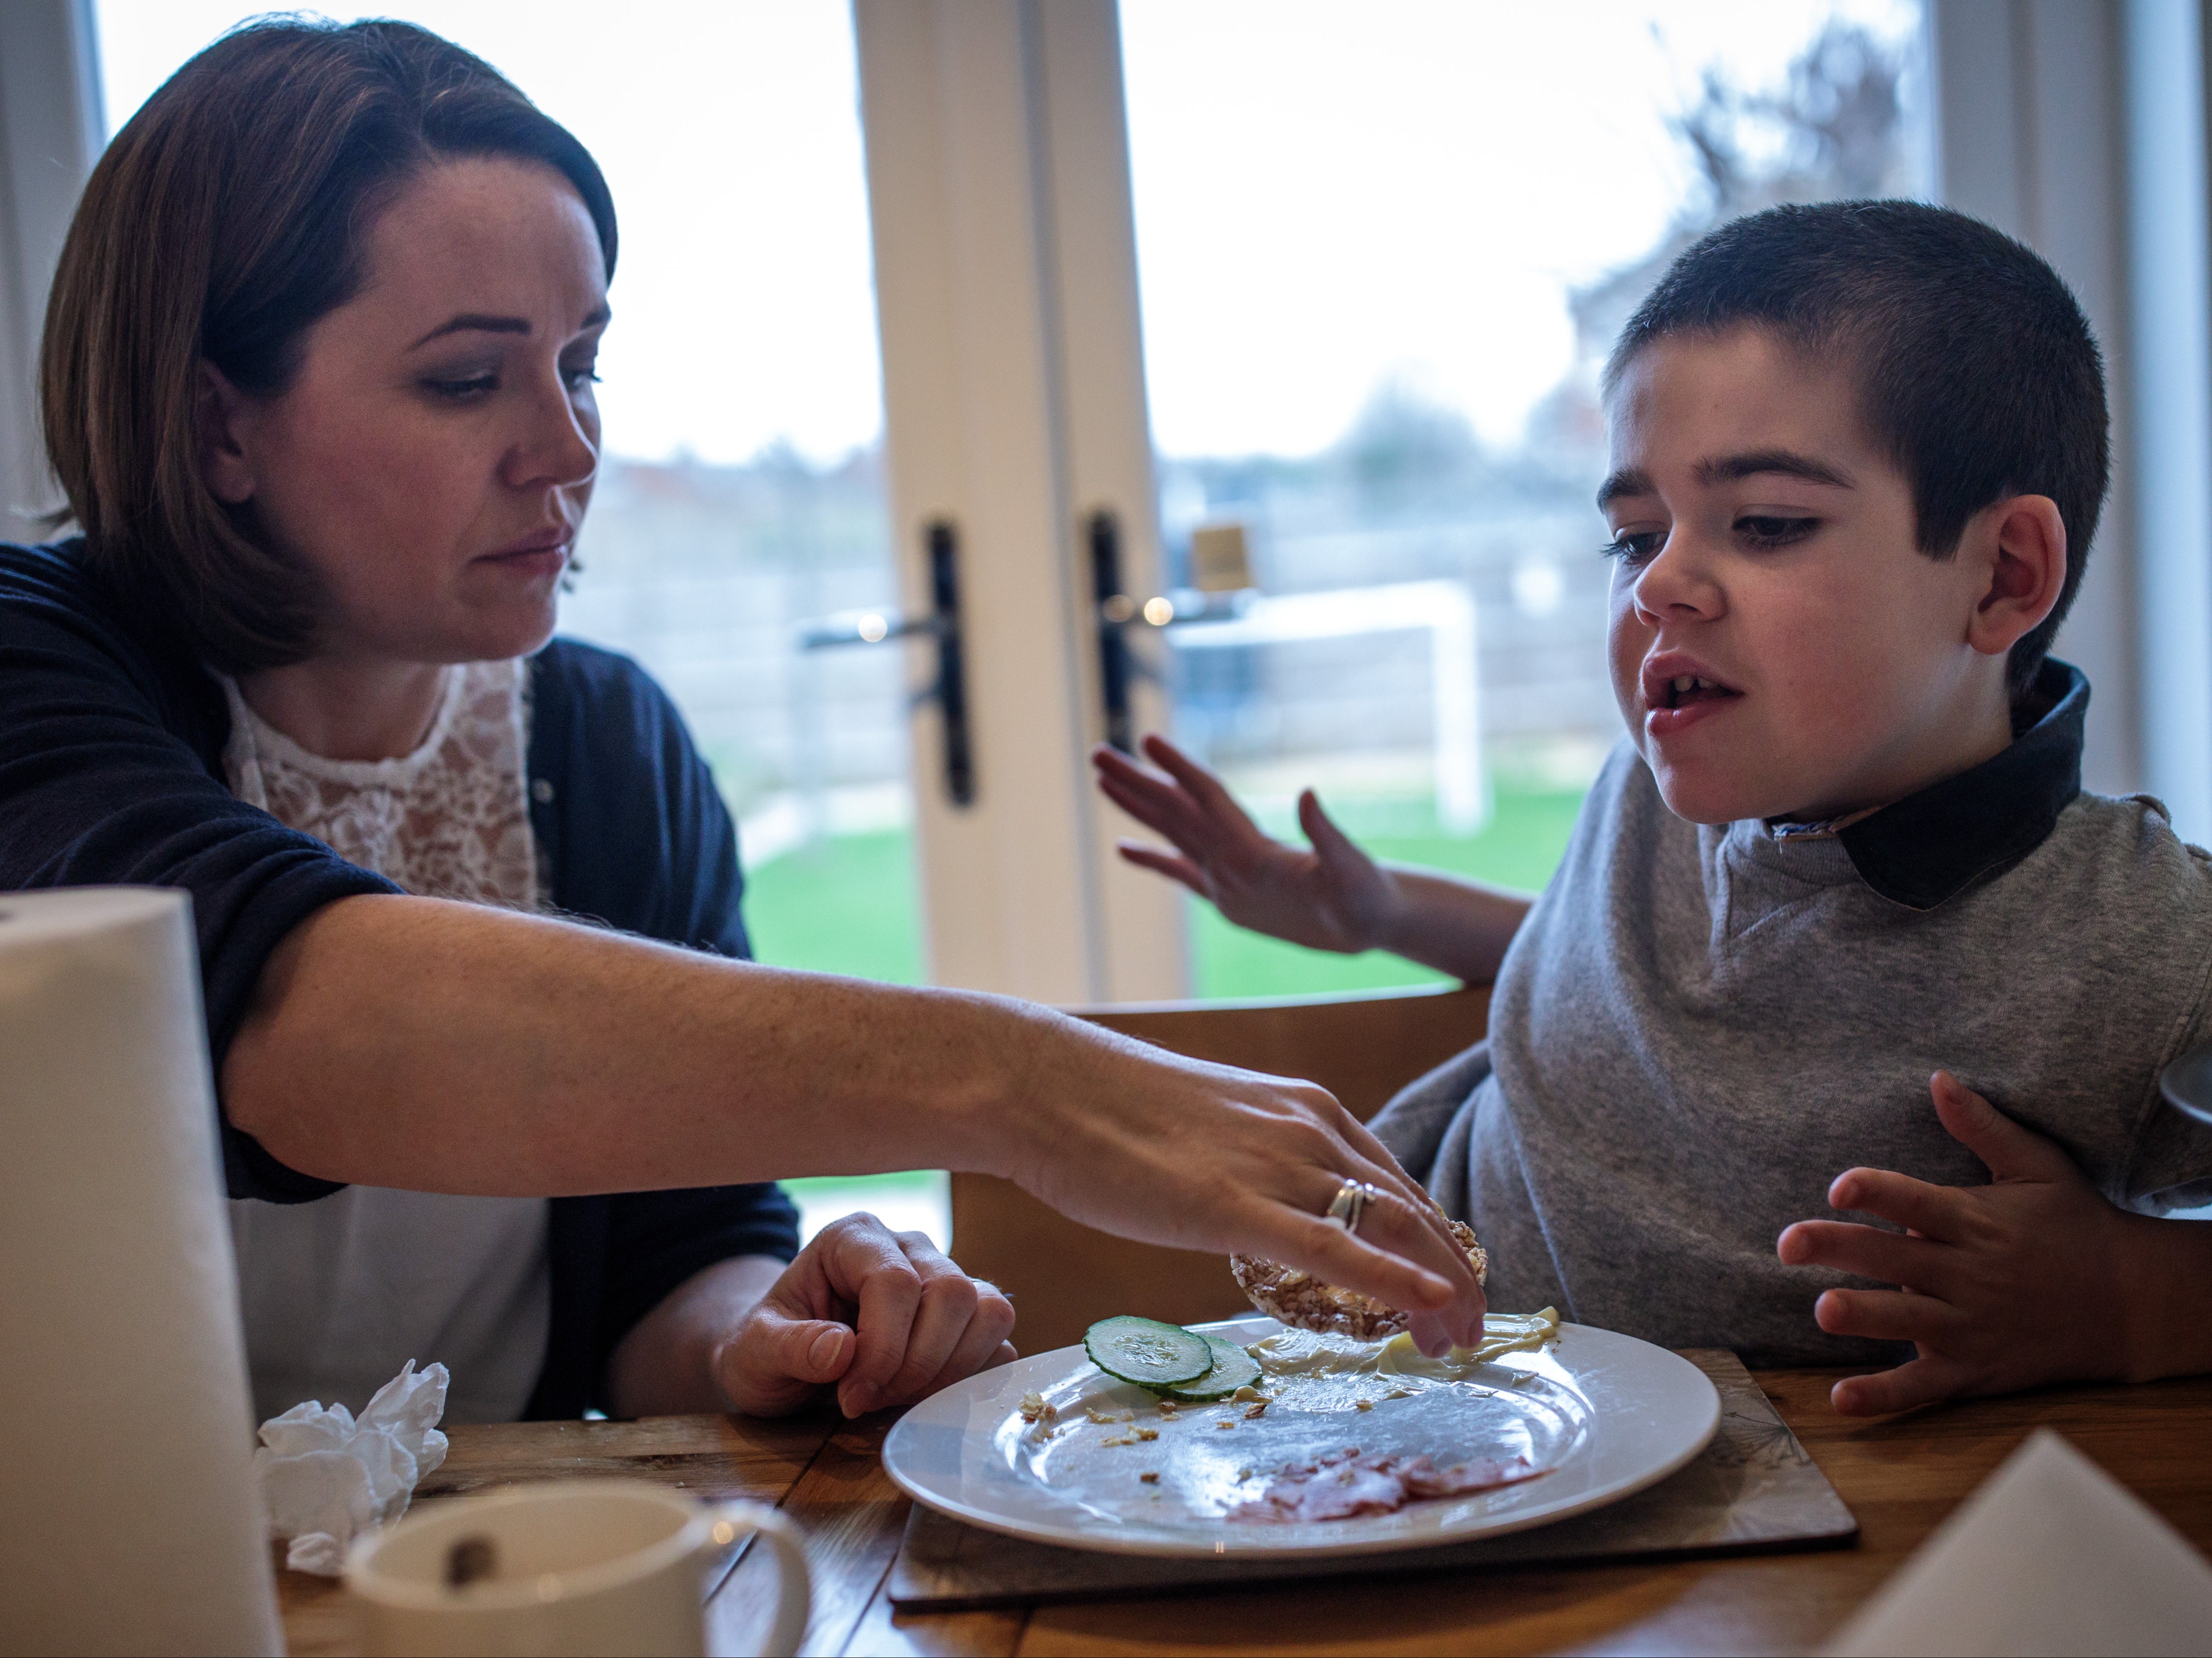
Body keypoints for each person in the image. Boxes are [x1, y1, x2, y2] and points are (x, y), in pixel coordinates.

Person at [0, 18, 1487, 1427]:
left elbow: (670, 1263)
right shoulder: (35, 657)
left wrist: (767, 1331)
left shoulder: (608, 740)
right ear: (217, 429)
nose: (570, 448)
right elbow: (289, 1019)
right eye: (467, 380)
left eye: (580, 363)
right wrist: (1034, 1085)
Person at [1096, 200, 2212, 1414]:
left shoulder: (2148, 950)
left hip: (1793, 1524)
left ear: (2003, 578)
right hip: (1395, 1399)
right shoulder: (1666, 779)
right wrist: (1384, 911)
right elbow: (1614, 966)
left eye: (1768, 524)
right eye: (1633, 537)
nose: (1664, 582)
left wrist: (2125, 1296)